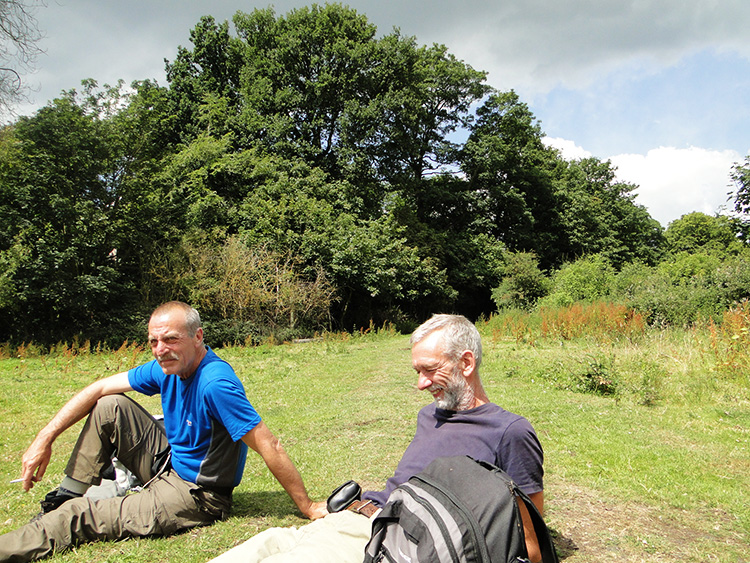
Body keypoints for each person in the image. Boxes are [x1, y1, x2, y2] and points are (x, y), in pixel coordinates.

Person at [0, 301, 327, 562]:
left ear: (198, 337)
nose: (160, 349)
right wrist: (45, 438)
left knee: (78, 516)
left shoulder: (216, 384)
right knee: (110, 405)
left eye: (171, 339)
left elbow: (269, 444)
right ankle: (67, 495)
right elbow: (98, 388)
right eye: (154, 341)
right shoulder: (166, 367)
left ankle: (21, 540)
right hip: (168, 463)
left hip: (197, 495)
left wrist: (308, 506)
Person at [211, 313, 545, 563]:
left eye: (429, 369)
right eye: (418, 372)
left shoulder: (509, 431)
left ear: (466, 363)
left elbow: (529, 535)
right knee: (260, 547)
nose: (421, 384)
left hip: (388, 539)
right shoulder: (429, 416)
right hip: (350, 517)